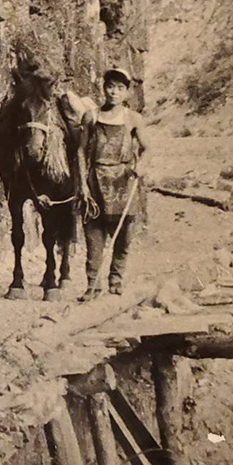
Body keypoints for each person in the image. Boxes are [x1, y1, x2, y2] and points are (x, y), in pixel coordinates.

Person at [77, 68, 152, 301]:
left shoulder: (133, 119)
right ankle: (92, 285)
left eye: (120, 88)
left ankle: (116, 280)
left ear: (127, 92)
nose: (114, 92)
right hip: (96, 179)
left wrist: (141, 166)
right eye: (110, 86)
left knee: (123, 236)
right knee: (94, 235)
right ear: (103, 87)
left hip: (124, 181)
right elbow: (80, 151)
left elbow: (147, 148)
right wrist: (83, 183)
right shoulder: (91, 116)